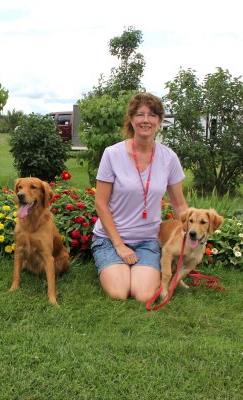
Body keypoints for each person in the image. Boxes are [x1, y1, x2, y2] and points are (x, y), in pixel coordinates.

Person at [91, 92, 188, 302]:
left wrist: (193, 233)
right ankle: (116, 264)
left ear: (159, 121)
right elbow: (100, 203)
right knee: (119, 292)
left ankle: (135, 269)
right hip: (110, 239)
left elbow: (179, 205)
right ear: (131, 119)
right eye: (140, 114)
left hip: (147, 240)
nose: (146, 120)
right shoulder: (112, 154)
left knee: (143, 295)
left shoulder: (169, 158)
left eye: (152, 115)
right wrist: (119, 245)